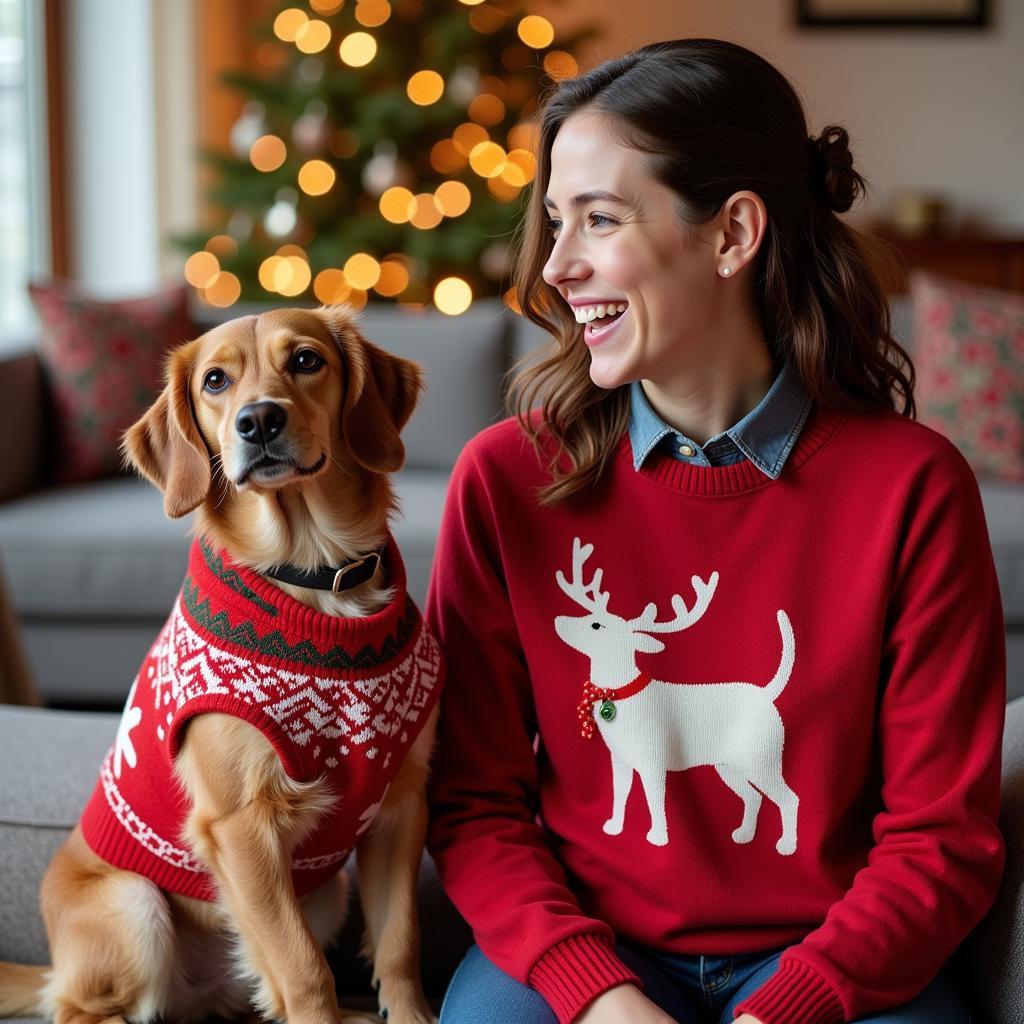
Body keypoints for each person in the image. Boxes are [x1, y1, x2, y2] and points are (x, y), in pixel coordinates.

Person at [424, 38, 1006, 1024]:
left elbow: (940, 836)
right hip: (584, 959)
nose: (557, 267)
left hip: (840, 971)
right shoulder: (503, 481)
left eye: (599, 220)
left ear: (732, 233)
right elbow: (473, 804)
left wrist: (792, 1002)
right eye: (555, 221)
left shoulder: (915, 490)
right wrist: (594, 993)